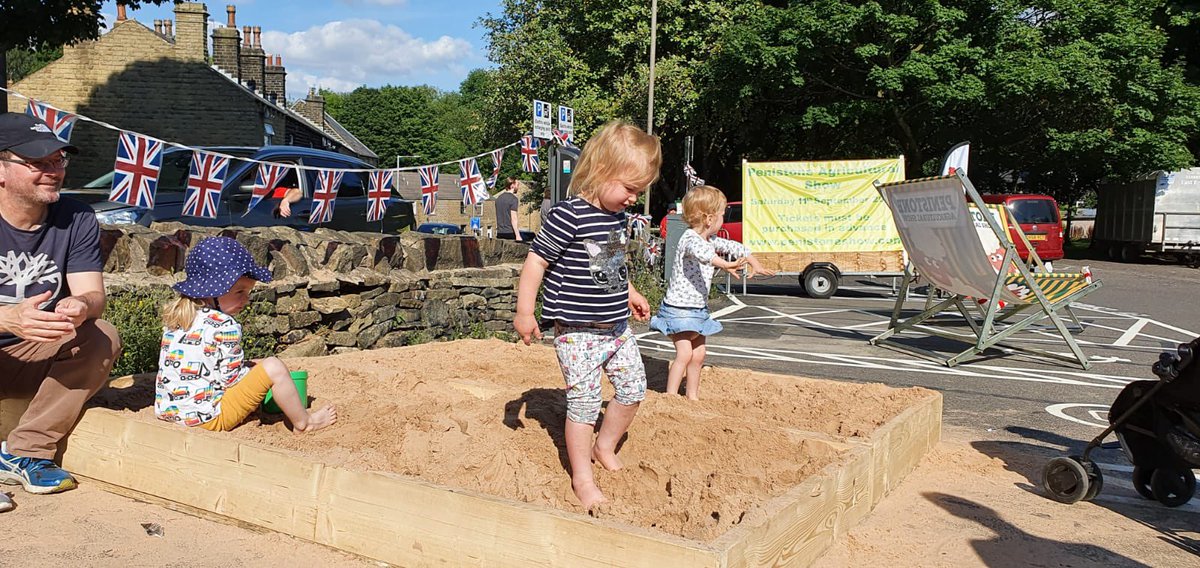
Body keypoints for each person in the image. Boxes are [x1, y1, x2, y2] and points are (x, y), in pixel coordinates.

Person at [513, 120, 661, 509]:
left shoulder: (617, 218)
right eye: (630, 189)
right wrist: (526, 312)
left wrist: (631, 292)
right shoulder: (568, 215)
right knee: (583, 402)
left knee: (633, 389)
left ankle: (604, 445)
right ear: (601, 171)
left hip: (616, 327)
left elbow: (608, 264)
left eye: (639, 191)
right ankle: (582, 476)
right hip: (577, 332)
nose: (634, 199)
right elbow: (535, 263)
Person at [0, 112, 122, 495]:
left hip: (32, 353)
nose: (54, 171)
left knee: (101, 336)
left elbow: (93, 295)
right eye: (38, 163)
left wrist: (81, 306)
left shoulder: (76, 218)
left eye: (58, 161)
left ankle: (25, 453)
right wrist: (7, 319)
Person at [155, 236, 336, 433]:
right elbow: (231, 380)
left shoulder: (177, 320)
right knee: (273, 367)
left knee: (256, 366)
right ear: (211, 291)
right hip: (211, 418)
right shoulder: (225, 324)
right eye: (239, 291)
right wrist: (256, 373)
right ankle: (305, 423)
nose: (246, 299)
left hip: (170, 413)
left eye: (248, 291)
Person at [650, 185, 775, 400]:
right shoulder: (689, 239)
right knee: (685, 353)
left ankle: (693, 396)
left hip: (698, 309)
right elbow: (703, 254)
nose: (723, 220)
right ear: (709, 219)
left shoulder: (712, 240)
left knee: (699, 355)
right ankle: (669, 397)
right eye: (722, 215)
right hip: (679, 309)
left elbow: (737, 248)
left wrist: (756, 264)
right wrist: (725, 265)